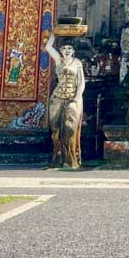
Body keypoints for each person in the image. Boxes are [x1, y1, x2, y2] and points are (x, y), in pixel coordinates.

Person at [45, 32, 86, 169]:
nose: (67, 51)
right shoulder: (58, 60)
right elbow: (48, 47)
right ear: (60, 50)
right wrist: (53, 34)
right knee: (55, 129)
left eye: (69, 48)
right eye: (64, 48)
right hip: (57, 97)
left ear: (73, 51)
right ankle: (57, 158)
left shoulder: (77, 63)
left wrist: (77, 97)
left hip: (72, 98)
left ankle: (71, 160)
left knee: (70, 129)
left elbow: (81, 82)